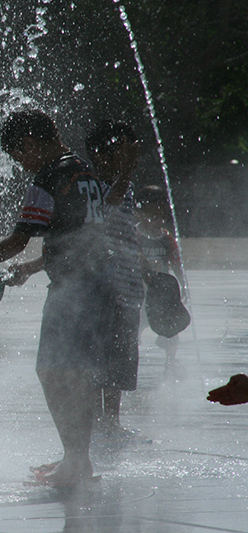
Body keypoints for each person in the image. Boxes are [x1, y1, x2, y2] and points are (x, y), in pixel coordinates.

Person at [0, 109, 112, 486]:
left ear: (28, 143)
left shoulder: (47, 177)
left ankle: (75, 463)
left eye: (18, 156)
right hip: (96, 285)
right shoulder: (83, 170)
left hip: (72, 291)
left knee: (53, 372)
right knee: (76, 374)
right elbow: (78, 238)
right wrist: (30, 269)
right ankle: (77, 459)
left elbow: (18, 239)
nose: (21, 164)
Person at [84, 120, 144, 438]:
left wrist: (145, 269)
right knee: (98, 356)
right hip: (102, 286)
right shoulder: (91, 184)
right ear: (102, 155)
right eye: (124, 150)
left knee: (120, 357)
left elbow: (125, 231)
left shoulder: (125, 184)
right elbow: (108, 210)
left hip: (128, 285)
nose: (130, 157)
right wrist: (128, 172)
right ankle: (96, 423)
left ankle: (111, 422)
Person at [135, 184, 185, 378]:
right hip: (139, 294)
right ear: (139, 213)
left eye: (160, 216)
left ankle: (170, 364)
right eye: (152, 215)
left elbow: (177, 263)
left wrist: (183, 286)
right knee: (134, 332)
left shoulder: (165, 237)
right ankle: (132, 364)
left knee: (172, 331)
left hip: (160, 295)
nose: (156, 220)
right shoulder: (135, 235)